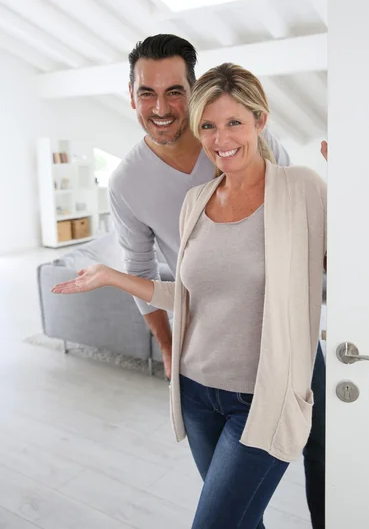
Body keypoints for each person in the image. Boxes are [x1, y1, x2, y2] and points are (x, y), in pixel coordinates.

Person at [52, 61, 327, 529]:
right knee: (244, 520)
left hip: (262, 396)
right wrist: (112, 276)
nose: (221, 139)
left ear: (261, 121)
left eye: (235, 122)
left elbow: (352, 266)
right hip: (198, 393)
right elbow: (187, 294)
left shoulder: (300, 188)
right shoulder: (197, 200)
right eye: (209, 126)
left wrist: (367, 188)